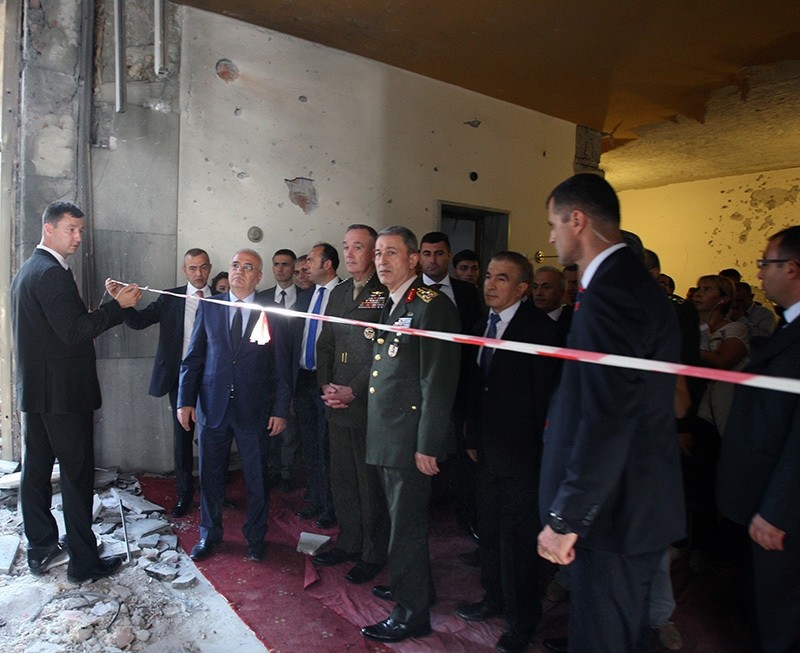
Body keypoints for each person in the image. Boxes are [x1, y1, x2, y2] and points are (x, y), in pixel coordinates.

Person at [537, 174, 684, 651]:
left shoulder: (612, 293)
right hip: (625, 502)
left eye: (554, 224)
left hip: (616, 510)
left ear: (577, 220)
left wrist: (566, 518)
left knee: (602, 637)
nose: (551, 237)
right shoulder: (621, 283)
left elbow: (606, 417)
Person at [10, 201, 142, 583]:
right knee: (77, 475)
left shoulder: (29, 270)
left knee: (35, 471)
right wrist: (117, 308)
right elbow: (74, 333)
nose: (78, 237)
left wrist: (105, 304)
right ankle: (84, 563)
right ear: (48, 229)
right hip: (64, 396)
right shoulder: (52, 273)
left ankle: (42, 548)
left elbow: (61, 326)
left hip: (38, 392)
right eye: (71, 229)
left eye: (80, 230)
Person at [361, 225, 460, 644]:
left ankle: (411, 612)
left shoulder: (430, 305)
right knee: (400, 522)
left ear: (415, 259)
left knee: (406, 527)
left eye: (392, 253)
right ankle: (415, 587)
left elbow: (437, 381)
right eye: (378, 253)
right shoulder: (392, 301)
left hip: (409, 439)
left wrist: (428, 443)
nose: (382, 261)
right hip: (389, 433)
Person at [457, 252, 561, 653]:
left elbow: (545, 399)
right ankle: (493, 597)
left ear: (521, 288)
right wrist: (470, 433)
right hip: (485, 448)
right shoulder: (482, 324)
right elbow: (475, 385)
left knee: (518, 540)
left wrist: (538, 453)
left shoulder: (540, 330)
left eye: (502, 278)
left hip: (522, 453)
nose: (490, 284)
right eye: (488, 276)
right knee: (490, 529)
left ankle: (521, 619)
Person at [177, 249, 292, 562]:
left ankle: (255, 537)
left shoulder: (272, 311)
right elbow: (194, 357)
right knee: (211, 477)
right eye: (235, 265)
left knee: (256, 478)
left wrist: (280, 408)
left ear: (258, 276)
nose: (239, 271)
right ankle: (208, 535)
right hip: (213, 406)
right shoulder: (210, 307)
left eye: (248, 267)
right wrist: (185, 400)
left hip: (254, 410)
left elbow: (283, 367)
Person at [717, 226, 800, 653]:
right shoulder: (789, 326)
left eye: (766, 263)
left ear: (792, 268)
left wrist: (777, 510)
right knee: (762, 612)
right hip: (761, 495)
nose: (761, 272)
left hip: (782, 512)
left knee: (781, 618)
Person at [107, 248, 213, 518]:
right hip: (180, 377)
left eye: (203, 267)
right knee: (182, 437)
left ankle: (215, 493)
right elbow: (139, 322)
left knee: (215, 435)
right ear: (184, 270)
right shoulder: (171, 298)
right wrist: (123, 302)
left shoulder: (222, 300)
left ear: (209, 268)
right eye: (193, 268)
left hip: (214, 377)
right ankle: (185, 494)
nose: (199, 273)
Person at [314, 225, 390, 585]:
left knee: (368, 481)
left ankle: (374, 551)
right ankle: (349, 540)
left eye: (358, 247)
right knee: (342, 478)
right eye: (346, 246)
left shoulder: (385, 293)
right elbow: (325, 342)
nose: (350, 253)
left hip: (364, 404)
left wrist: (352, 390)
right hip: (335, 401)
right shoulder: (341, 291)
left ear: (374, 251)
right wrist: (326, 385)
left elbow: (384, 353)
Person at [294, 243, 341, 528]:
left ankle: (333, 505)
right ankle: (317, 499)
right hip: (304, 378)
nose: (306, 266)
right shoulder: (307, 296)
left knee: (329, 446)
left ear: (328, 265)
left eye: (311, 260)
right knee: (310, 443)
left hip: (330, 382)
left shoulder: (344, 294)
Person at [262, 248, 300, 491]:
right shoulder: (262, 298)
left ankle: (288, 474)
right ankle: (271, 472)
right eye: (276, 264)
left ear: (294, 267)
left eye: (285, 264)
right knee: (268, 426)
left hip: (297, 370)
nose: (280, 269)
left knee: (291, 428)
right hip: (267, 372)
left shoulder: (305, 297)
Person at [531, 265, 573, 338]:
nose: (538, 293)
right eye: (535, 287)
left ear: (562, 292)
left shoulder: (573, 323)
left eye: (546, 287)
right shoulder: (522, 319)